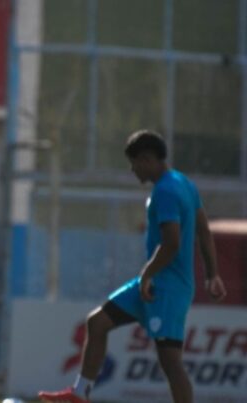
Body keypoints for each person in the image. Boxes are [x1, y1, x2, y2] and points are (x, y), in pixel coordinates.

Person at [38, 130, 227, 403]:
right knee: (97, 322)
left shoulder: (166, 190)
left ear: (148, 159)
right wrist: (212, 274)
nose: (132, 169)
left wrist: (148, 273)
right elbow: (203, 230)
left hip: (167, 288)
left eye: (135, 162)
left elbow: (172, 243)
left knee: (170, 361)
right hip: (151, 284)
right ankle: (80, 393)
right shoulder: (184, 183)